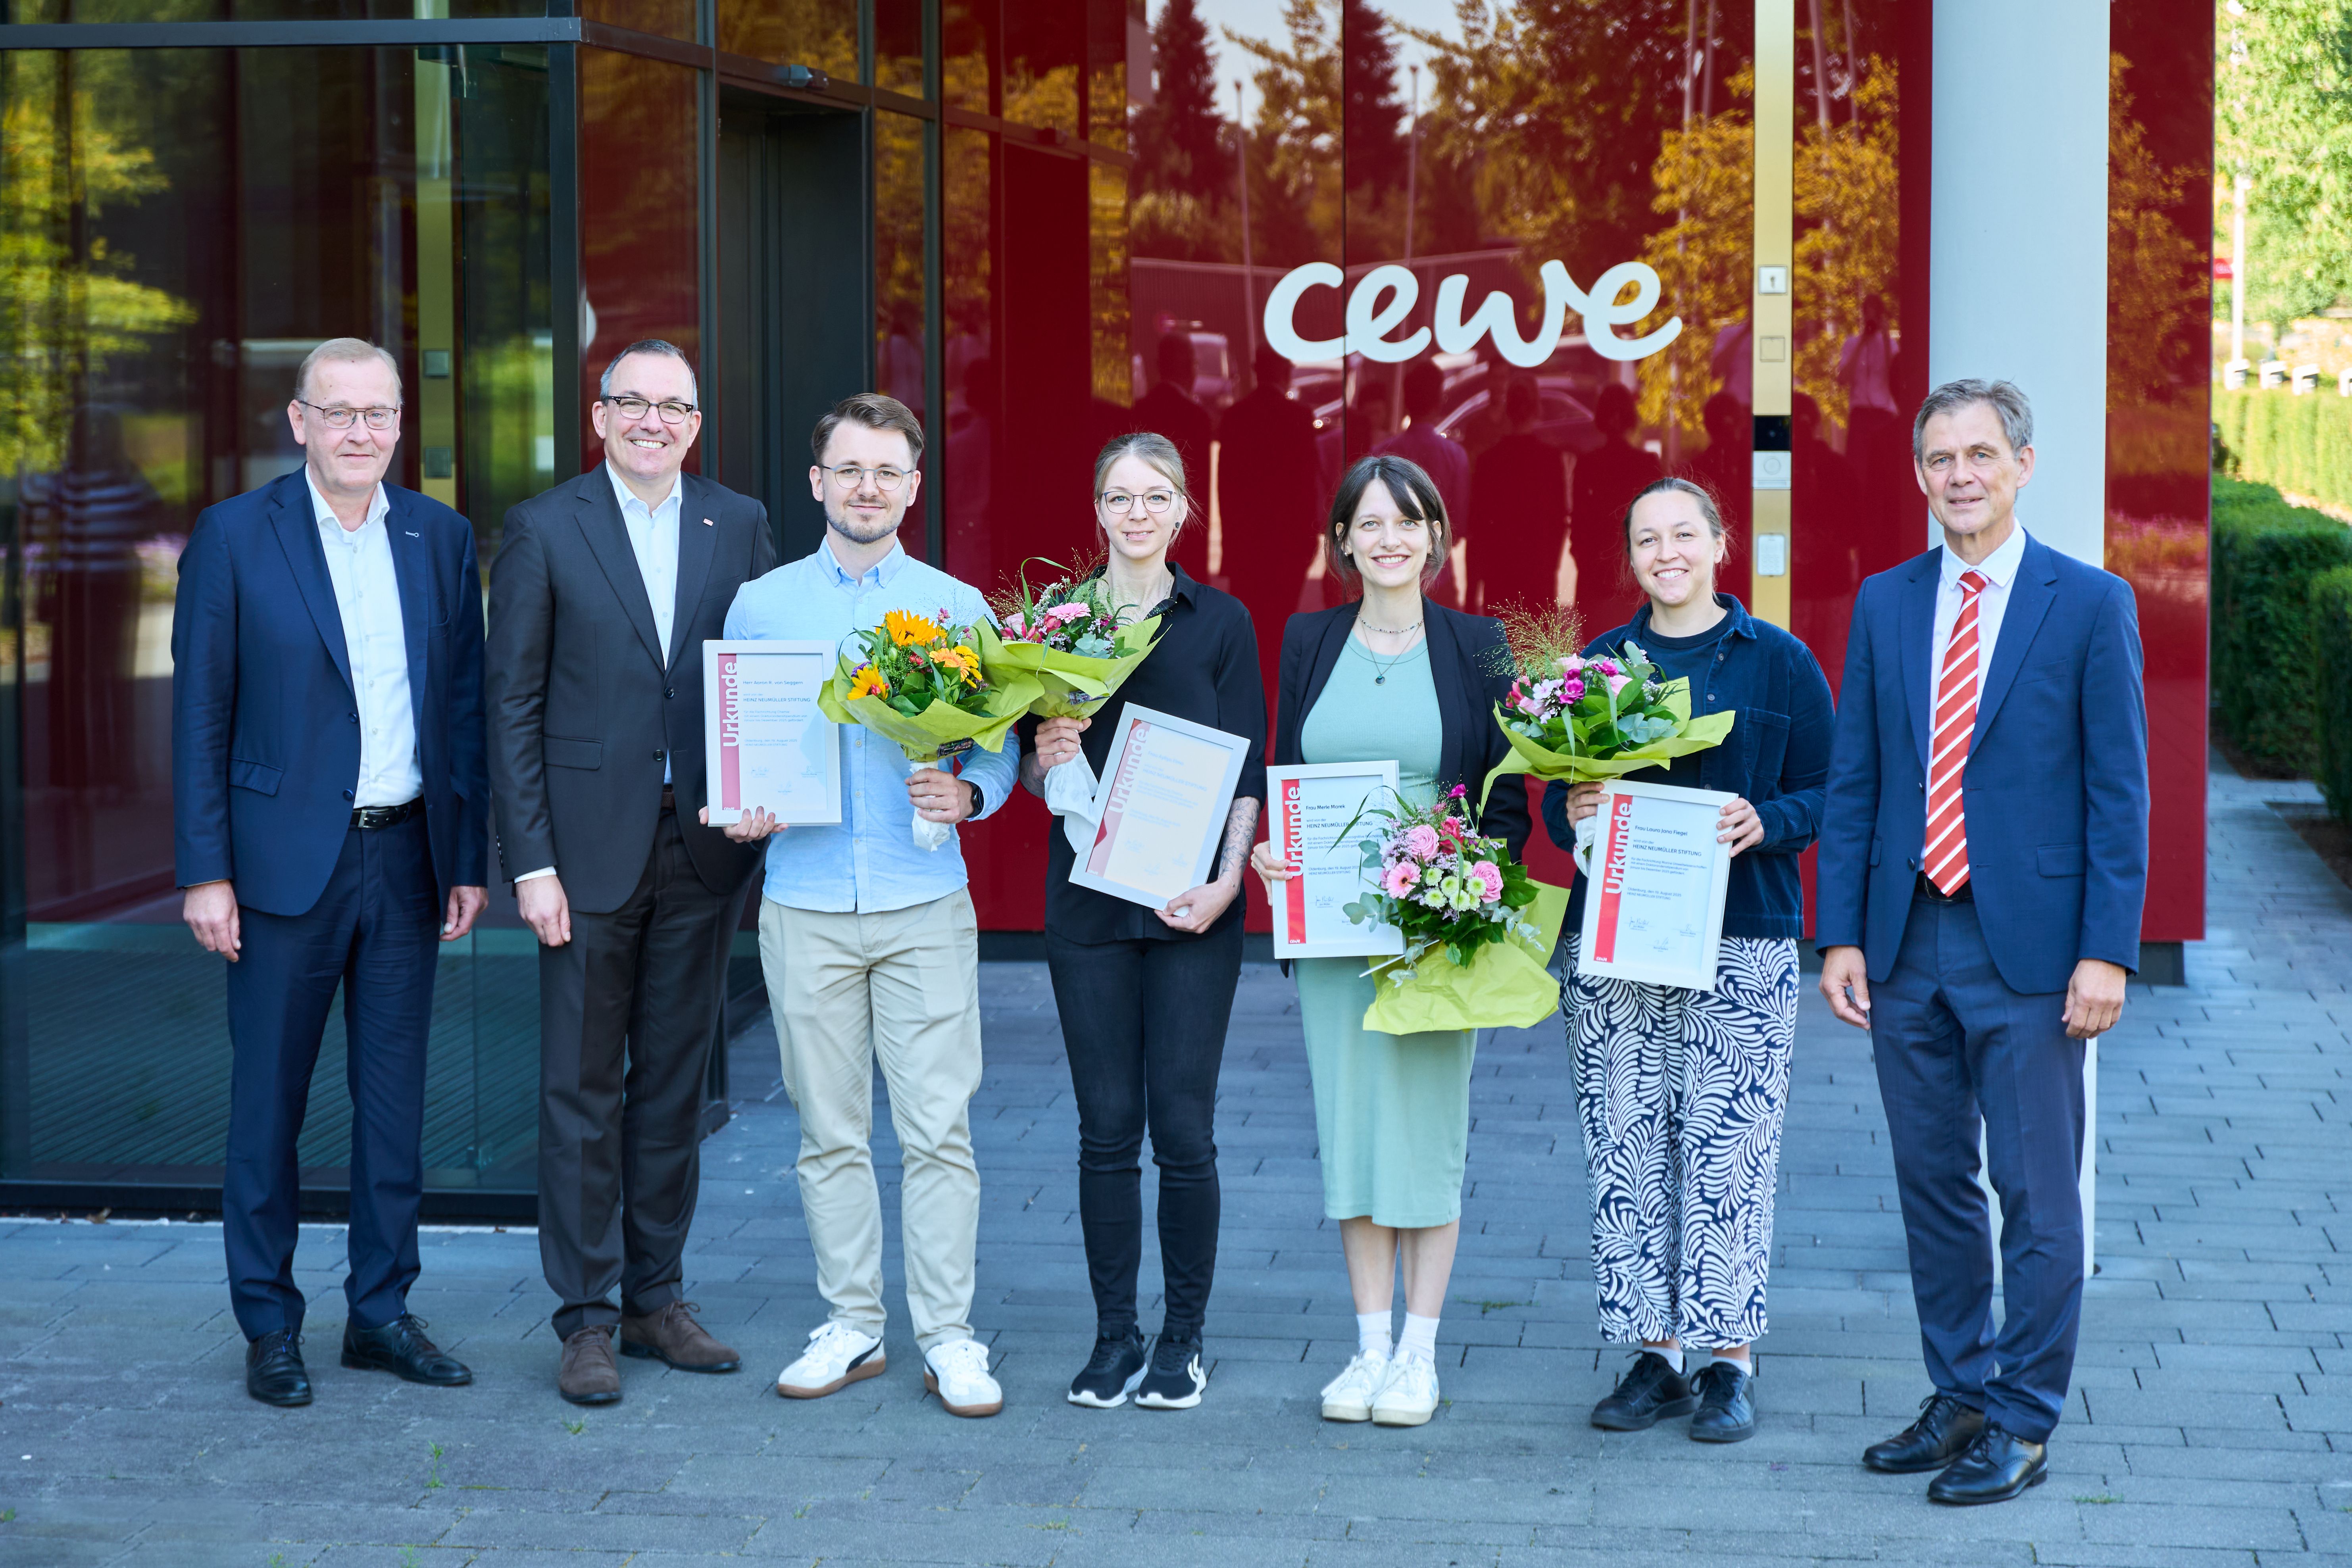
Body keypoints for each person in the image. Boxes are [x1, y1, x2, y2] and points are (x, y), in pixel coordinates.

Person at [1817, 379, 2147, 1505]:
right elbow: (1856, 777)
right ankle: (1957, 1392)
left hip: (2035, 953)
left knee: (2035, 1194)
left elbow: (2118, 792)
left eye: (1975, 454)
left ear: (2019, 463)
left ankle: (2022, 1415)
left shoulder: (2087, 603)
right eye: (1936, 459)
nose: (1955, 475)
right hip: (1905, 941)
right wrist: (1841, 937)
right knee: (1931, 1186)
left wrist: (2105, 951)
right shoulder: (1883, 602)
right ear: (1916, 476)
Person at [172, 337, 488, 1407]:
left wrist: (467, 855)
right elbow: (199, 715)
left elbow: (461, 710)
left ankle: (381, 1313)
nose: (361, 432)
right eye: (339, 412)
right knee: (267, 1106)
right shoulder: (232, 537)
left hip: (405, 857)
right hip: (275, 870)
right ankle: (268, 1322)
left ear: (403, 422)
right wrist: (204, 871)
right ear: (298, 421)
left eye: (380, 413)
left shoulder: (437, 537)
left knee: (393, 1109)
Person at [488, 339, 778, 1405]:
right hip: (582, 854)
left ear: (696, 426)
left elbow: (766, 677)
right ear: (599, 416)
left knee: (670, 1090)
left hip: (699, 847)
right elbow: (510, 709)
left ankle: (657, 1299)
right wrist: (532, 863)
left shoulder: (736, 523)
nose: (654, 422)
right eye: (633, 403)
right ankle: (584, 1318)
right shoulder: (543, 527)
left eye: (675, 407)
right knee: (577, 1093)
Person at [721, 392, 1018, 1421]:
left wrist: (972, 791)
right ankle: (851, 1324)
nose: (866, 488)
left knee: (939, 1131)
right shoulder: (760, 606)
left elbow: (996, 743)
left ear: (913, 487)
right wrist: (741, 801)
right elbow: (738, 735)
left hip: (922, 897)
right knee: (827, 1131)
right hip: (801, 898)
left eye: (887, 472)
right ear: (816, 484)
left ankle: (948, 1336)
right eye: (848, 470)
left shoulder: (955, 606)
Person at [1544, 477, 1835, 1444]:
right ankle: (1651, 1352)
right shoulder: (1594, 666)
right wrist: (1571, 808)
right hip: (1616, 945)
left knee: (1728, 1155)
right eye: (1645, 538)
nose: (1665, 551)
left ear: (1718, 542)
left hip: (1741, 938)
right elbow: (1553, 803)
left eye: (1682, 533)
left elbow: (1830, 790)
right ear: (1627, 558)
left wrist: (1771, 818)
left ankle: (1726, 1360)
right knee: (1625, 1145)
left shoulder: (1779, 664)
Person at [1248, 454, 1529, 1429]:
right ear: (1340, 541)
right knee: (1352, 1136)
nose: (1387, 539)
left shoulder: (1477, 644)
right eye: (1367, 524)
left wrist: (1469, 891)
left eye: (1404, 522)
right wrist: (1272, 856)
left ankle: (1419, 1352)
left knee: (1422, 1137)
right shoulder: (1306, 640)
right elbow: (1284, 774)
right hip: (1331, 939)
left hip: (1432, 934)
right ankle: (1366, 1348)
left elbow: (1507, 805)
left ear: (1433, 536)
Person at [1021, 432, 1267, 1411]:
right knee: (1104, 1129)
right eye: (1118, 495)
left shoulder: (1219, 622)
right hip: (1086, 902)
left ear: (1180, 511)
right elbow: (1029, 771)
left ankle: (1185, 1339)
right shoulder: (1049, 623)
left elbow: (1246, 768)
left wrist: (1224, 882)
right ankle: (1114, 1334)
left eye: (1154, 495)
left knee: (1183, 1128)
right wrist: (1047, 746)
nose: (1135, 511)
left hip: (1188, 910)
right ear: (1096, 510)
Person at [1215, 342, 1323, 687]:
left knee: (1249, 633)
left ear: (1255, 371)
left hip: (1248, 548)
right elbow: (1307, 483)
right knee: (1280, 635)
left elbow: (1226, 488)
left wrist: (1231, 549)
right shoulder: (1298, 416)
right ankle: (1274, 707)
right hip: (1286, 548)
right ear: (1286, 372)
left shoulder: (1235, 417)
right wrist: (1310, 541)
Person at [1467, 375, 1567, 614]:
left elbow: (1477, 528)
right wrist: (1550, 567)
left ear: (1507, 410)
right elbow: (1558, 522)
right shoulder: (1551, 460)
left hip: (1499, 574)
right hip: (1538, 574)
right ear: (1536, 409)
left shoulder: (1488, 461)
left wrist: (1473, 590)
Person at [1569, 382, 1664, 625]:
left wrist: (1582, 555)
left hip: (1596, 572)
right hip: (1637, 573)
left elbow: (1579, 524)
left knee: (1597, 656)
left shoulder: (1588, 464)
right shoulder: (1647, 464)